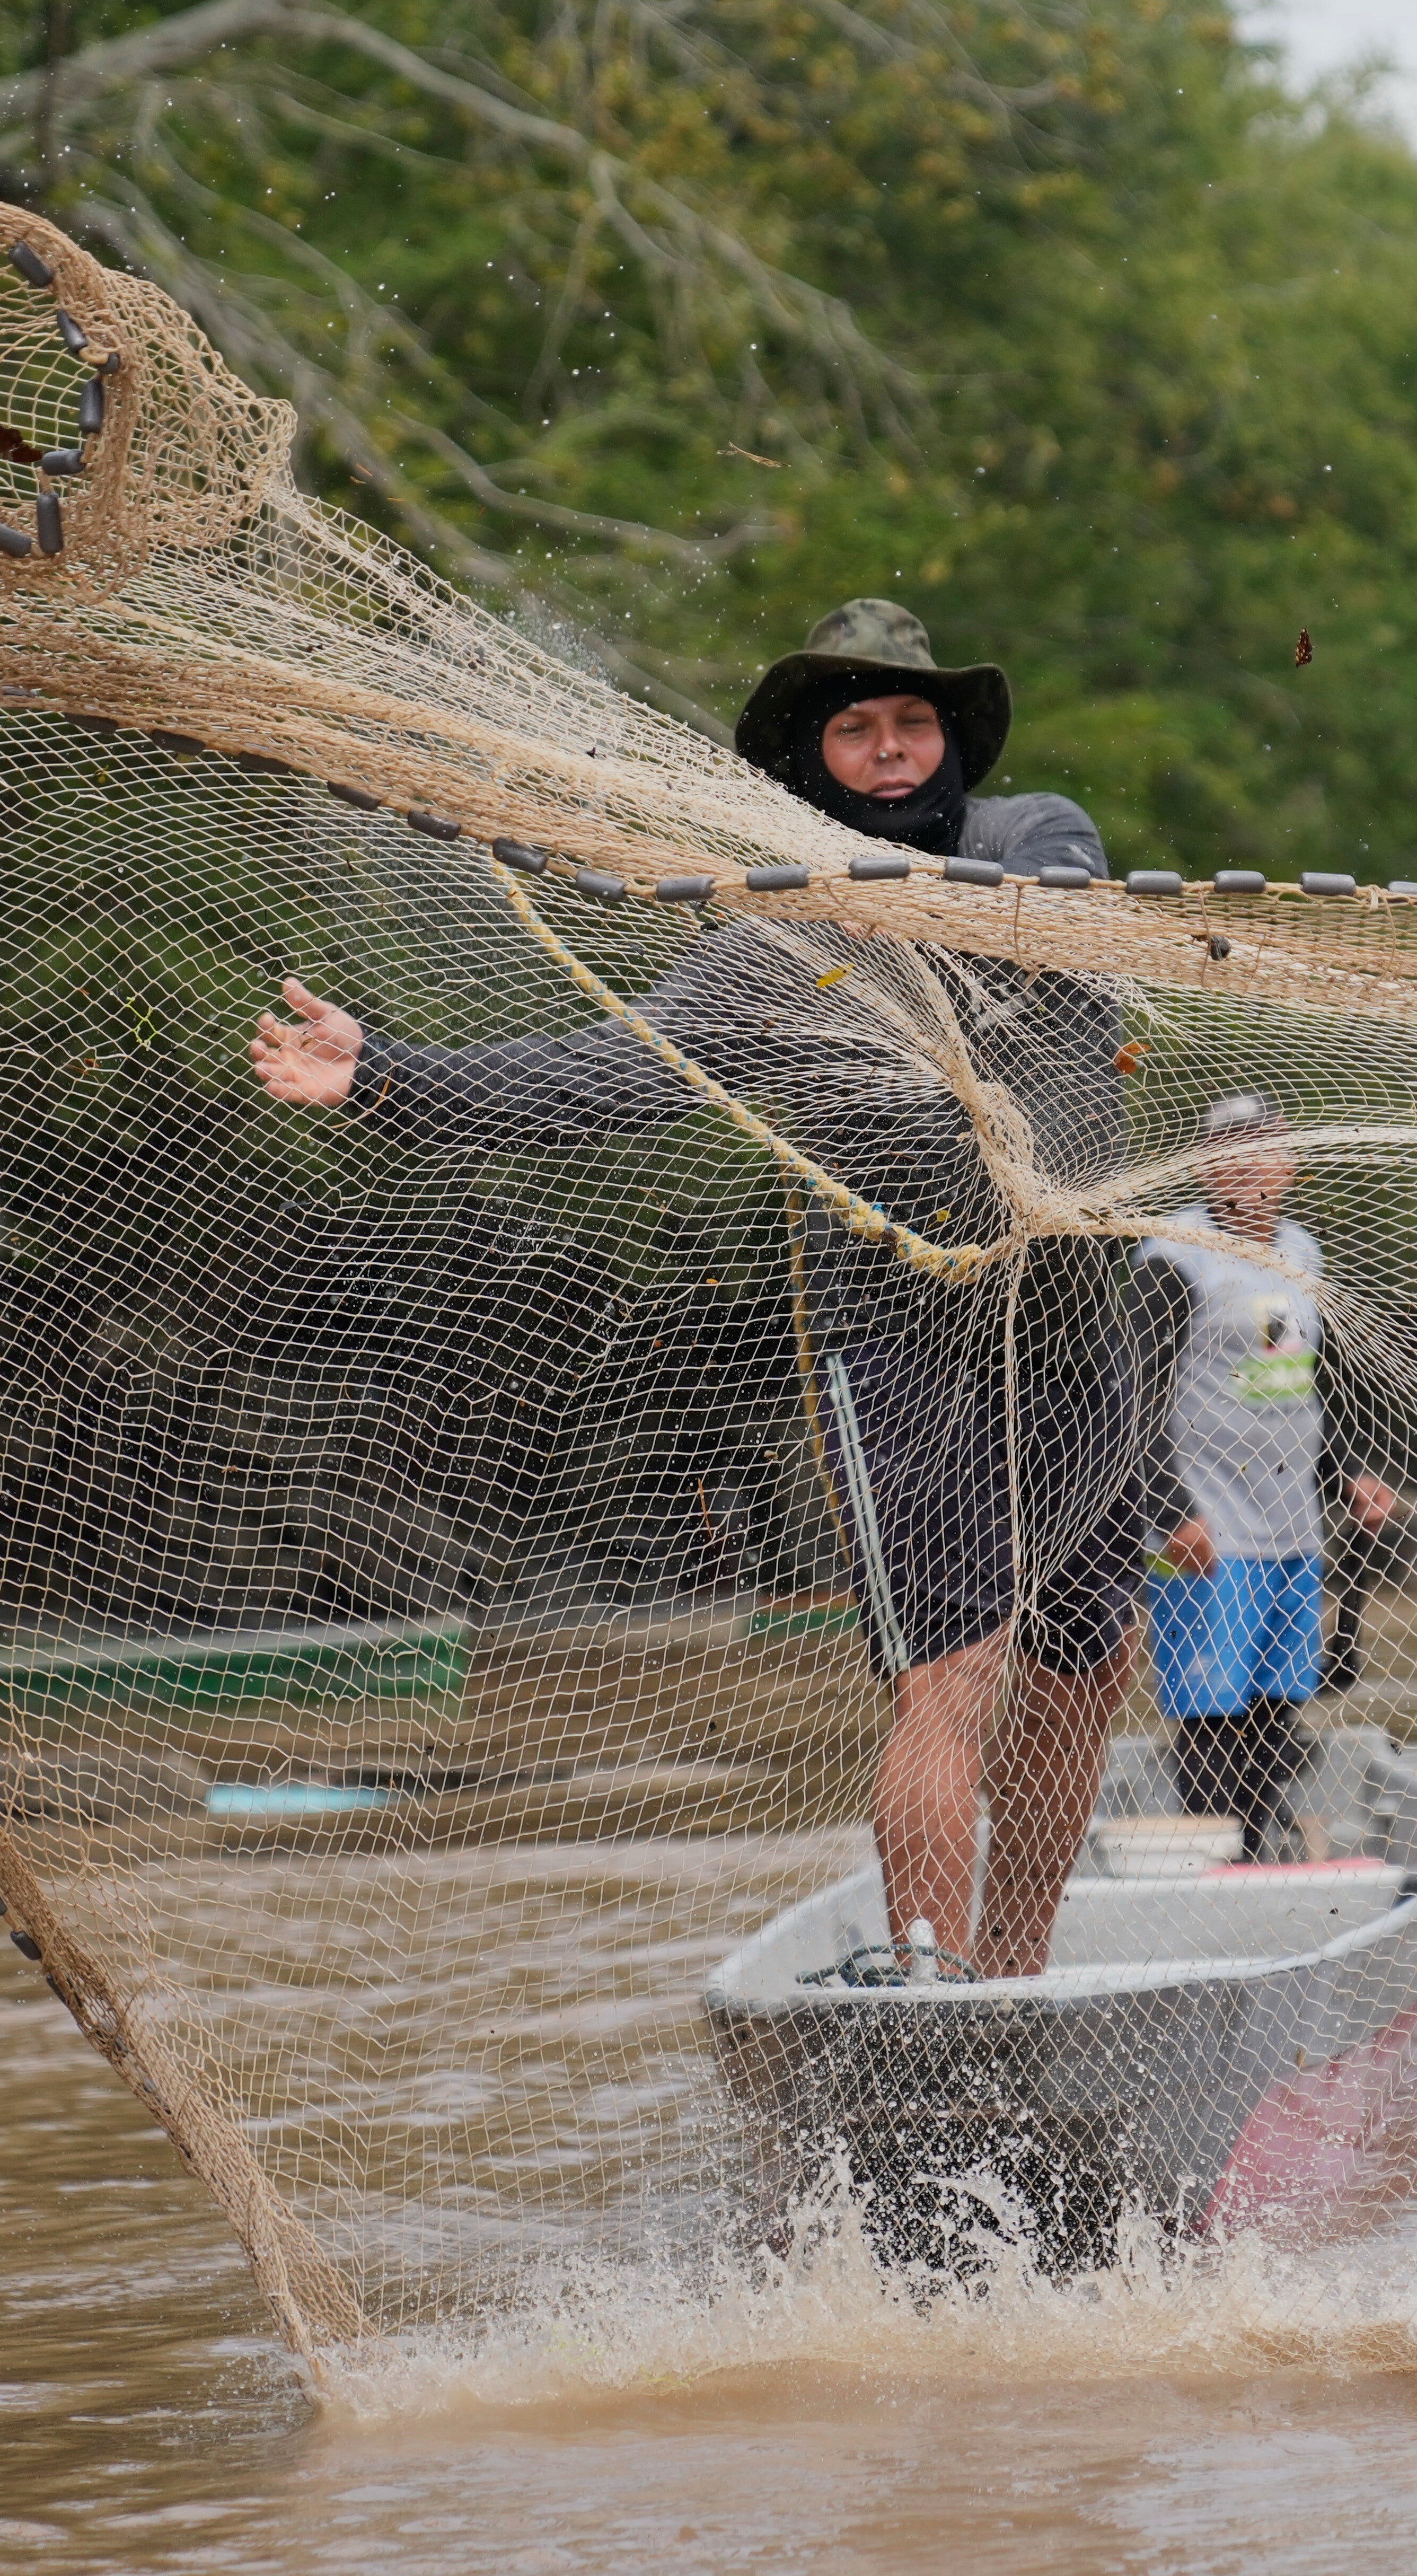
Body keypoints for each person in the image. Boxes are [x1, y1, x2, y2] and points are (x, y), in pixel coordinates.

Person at [249, 602, 1150, 1977]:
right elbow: (608, 1076)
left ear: (953, 741)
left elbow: (1041, 911)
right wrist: (388, 1077)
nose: (891, 749)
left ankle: (1017, 1975)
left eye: (914, 722)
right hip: (896, 1332)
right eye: (857, 729)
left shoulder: (1035, 838)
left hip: (1073, 1318)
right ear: (810, 761)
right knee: (953, 1673)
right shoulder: (767, 946)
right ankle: (933, 1986)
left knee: (1086, 1665)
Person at [1139, 1094, 1398, 1858]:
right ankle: (1217, 1871)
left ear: (1290, 1164)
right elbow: (1134, 1401)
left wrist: (1350, 1475)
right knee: (1210, 1709)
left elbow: (1306, 1381)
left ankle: (1259, 1856)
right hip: (1205, 1524)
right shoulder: (1172, 1256)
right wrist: (1172, 1510)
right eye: (1231, 1151)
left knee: (1278, 1699)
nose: (1250, 1166)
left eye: (1265, 1149)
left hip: (1290, 1521)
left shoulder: (1302, 1252)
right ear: (1205, 1166)